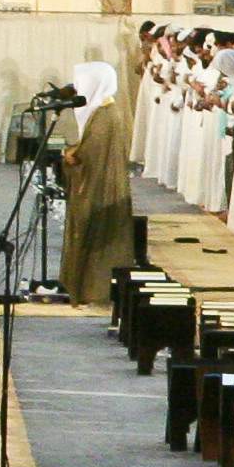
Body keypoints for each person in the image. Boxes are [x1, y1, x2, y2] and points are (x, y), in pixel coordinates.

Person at [62, 58, 134, 297]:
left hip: (99, 186)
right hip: (96, 182)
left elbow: (92, 152)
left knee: (93, 232)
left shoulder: (106, 115)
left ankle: (92, 288)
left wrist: (73, 154)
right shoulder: (102, 110)